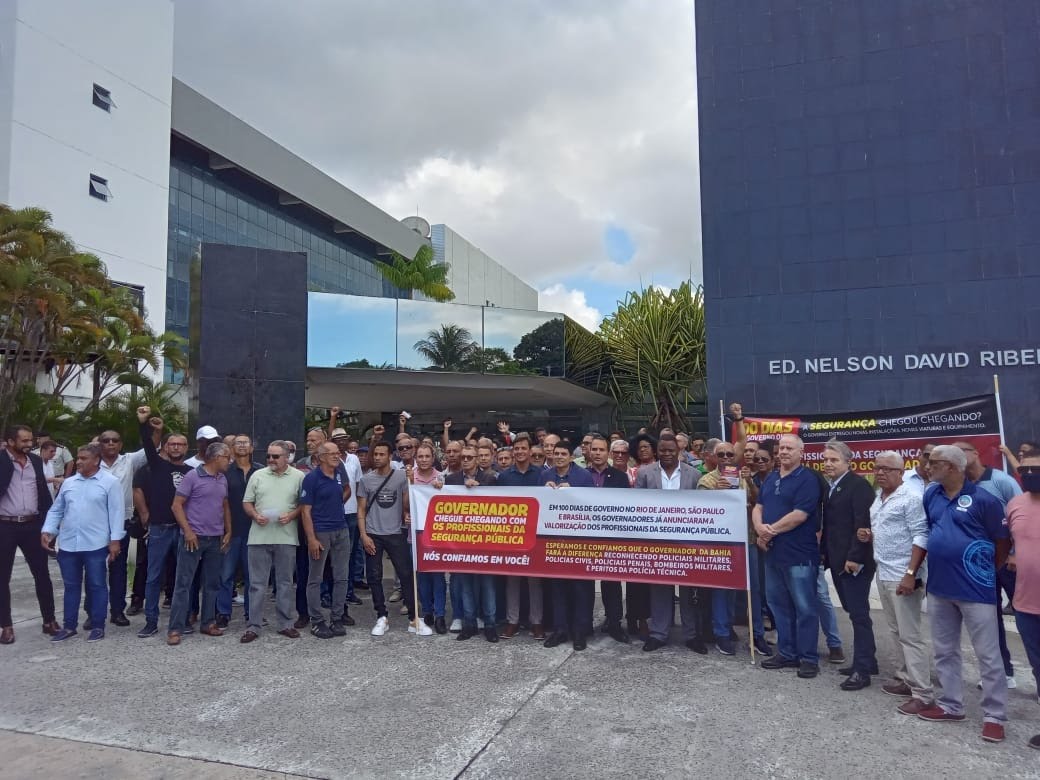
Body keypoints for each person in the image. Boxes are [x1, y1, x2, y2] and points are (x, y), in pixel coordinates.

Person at [917, 445, 1009, 744]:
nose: (928, 467)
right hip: (940, 587)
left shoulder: (985, 500)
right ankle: (950, 704)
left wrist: (984, 571)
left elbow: (1001, 542)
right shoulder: (931, 494)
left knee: (987, 653)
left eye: (934, 463)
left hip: (976, 589)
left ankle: (994, 715)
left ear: (953, 467)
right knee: (945, 649)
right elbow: (934, 530)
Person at [859, 451, 933, 715]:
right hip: (884, 572)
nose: (880, 473)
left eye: (887, 469)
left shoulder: (911, 499)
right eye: (877, 468)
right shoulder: (879, 499)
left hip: (904, 575)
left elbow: (921, 536)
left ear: (901, 472)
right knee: (895, 630)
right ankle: (904, 679)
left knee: (910, 636)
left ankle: (923, 693)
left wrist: (911, 573)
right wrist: (869, 534)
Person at [753, 434, 822, 679]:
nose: (783, 452)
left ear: (801, 452)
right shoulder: (771, 478)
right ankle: (787, 652)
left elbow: (800, 514)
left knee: (805, 607)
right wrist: (759, 528)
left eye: (789, 448)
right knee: (778, 605)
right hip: (773, 554)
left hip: (799, 554)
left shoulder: (807, 480)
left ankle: (808, 658)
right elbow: (758, 506)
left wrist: (769, 531)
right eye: (781, 448)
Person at [41, 444, 124, 642]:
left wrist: (115, 541)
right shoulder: (69, 483)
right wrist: (48, 530)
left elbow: (117, 513)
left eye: (84, 458)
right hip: (69, 544)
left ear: (96, 460)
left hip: (96, 544)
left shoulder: (110, 482)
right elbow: (57, 510)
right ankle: (69, 626)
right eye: (78, 458)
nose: (78, 461)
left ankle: (97, 625)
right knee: (71, 586)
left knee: (97, 585)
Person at [956, 440, 1022, 688]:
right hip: (981, 565)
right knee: (990, 620)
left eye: (962, 451)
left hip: (1011, 561)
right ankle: (1003, 673)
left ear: (975, 453)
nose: (958, 456)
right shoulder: (961, 487)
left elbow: (1022, 515)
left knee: (1029, 619)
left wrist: (1015, 552)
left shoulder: (1001, 481)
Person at [820, 440, 877, 691]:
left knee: (859, 615)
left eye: (834, 460)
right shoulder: (833, 487)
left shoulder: (858, 486)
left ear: (847, 462)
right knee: (854, 612)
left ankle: (862, 670)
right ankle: (869, 660)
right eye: (826, 459)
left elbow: (862, 523)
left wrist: (855, 557)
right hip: (837, 559)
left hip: (854, 562)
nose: (828, 464)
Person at [697, 435, 762, 655]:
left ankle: (757, 635)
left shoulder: (743, 477)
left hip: (747, 539)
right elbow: (701, 511)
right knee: (722, 589)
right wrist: (718, 494)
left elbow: (757, 501)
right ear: (714, 458)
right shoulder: (707, 481)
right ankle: (722, 633)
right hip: (721, 544)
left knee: (751, 589)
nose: (725, 458)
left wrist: (751, 481)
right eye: (721, 454)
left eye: (730, 454)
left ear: (736, 457)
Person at [637, 433, 702, 652]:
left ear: (679, 451)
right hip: (657, 540)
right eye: (662, 450)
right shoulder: (645, 474)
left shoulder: (693, 475)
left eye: (671, 450)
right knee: (659, 588)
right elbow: (636, 505)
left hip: (686, 541)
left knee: (688, 589)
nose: (666, 454)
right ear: (657, 451)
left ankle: (691, 634)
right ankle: (658, 633)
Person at [358, 441, 428, 637]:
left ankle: (414, 618)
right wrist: (363, 535)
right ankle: (381, 616)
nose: (378, 457)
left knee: (406, 574)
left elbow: (406, 504)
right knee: (373, 576)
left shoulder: (399, 476)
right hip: (373, 533)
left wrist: (410, 482)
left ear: (390, 457)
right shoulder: (366, 480)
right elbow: (361, 510)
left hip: (395, 532)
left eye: (382, 454)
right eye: (376, 454)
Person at [167, 443, 232, 646]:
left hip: (215, 538)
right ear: (216, 457)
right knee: (183, 584)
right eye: (226, 457)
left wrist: (228, 530)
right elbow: (176, 505)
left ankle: (208, 622)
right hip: (193, 538)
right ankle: (175, 628)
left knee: (212, 583)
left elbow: (224, 505)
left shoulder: (222, 479)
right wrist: (187, 531)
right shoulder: (192, 476)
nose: (229, 460)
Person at [241, 440, 305, 642]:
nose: (270, 459)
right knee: (257, 584)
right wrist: (254, 515)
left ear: (287, 457)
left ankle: (285, 624)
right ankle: (253, 626)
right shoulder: (257, 475)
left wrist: (293, 515)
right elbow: (247, 502)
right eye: (268, 456)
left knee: (285, 583)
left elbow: (305, 504)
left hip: (286, 537)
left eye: (275, 456)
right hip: (259, 537)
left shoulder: (299, 476)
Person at [135, 413, 193, 639]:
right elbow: (148, 445)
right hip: (159, 528)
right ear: (166, 447)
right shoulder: (157, 466)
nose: (176, 447)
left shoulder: (191, 472)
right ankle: (151, 621)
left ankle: (182, 618)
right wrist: (144, 424)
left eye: (180, 444)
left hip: (182, 531)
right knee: (153, 576)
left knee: (183, 577)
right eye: (172, 444)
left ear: (187, 448)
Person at [0, 424, 58, 644]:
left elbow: (43, 493)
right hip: (5, 526)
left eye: (30, 440)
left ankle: (49, 620)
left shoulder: (35, 461)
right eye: (24, 441)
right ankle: (6, 626)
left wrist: (49, 525)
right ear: (10, 441)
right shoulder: (1, 460)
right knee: (2, 577)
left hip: (33, 525)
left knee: (42, 573)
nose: (29, 444)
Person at [541, 441, 596, 650]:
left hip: (579, 541)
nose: (560, 457)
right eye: (556, 453)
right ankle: (560, 629)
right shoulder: (545, 476)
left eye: (564, 453)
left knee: (580, 589)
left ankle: (580, 631)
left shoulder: (583, 476)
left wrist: (573, 492)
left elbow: (593, 504)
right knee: (557, 588)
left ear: (571, 457)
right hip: (554, 541)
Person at [95, 420, 150, 628]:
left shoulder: (129, 461)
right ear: (99, 444)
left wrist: (148, 425)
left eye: (114, 440)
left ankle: (117, 611)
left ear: (120, 444)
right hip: (96, 526)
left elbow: (150, 448)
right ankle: (93, 612)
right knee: (95, 571)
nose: (110, 443)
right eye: (106, 440)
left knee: (118, 570)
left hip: (122, 524)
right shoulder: (91, 463)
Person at [300, 442, 355, 638]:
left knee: (342, 576)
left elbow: (347, 489)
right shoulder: (311, 479)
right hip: (321, 532)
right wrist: (311, 538)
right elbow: (305, 511)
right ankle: (316, 621)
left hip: (341, 530)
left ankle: (337, 618)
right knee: (315, 578)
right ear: (321, 457)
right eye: (332, 453)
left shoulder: (340, 472)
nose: (336, 456)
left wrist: (339, 501)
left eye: (338, 453)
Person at [587, 433, 636, 645]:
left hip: (610, 537)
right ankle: (584, 623)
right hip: (584, 537)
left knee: (612, 583)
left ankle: (614, 623)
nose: (598, 453)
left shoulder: (619, 477)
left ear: (608, 453)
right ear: (588, 451)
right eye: (594, 449)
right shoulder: (580, 475)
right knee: (585, 583)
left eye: (601, 450)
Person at [446, 444, 498, 641]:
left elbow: (500, 504)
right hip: (462, 541)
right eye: (464, 457)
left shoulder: (489, 479)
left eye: (470, 457)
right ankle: (469, 624)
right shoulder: (451, 479)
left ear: (477, 459)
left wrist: (480, 489)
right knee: (465, 584)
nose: (466, 460)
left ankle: (491, 625)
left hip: (486, 541)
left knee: (487, 584)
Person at [496, 433, 544, 639]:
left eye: (523, 448)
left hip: (535, 534)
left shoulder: (542, 475)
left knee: (535, 581)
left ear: (530, 450)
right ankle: (512, 621)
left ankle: (537, 622)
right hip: (512, 536)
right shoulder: (505, 476)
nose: (520, 452)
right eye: (516, 449)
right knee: (512, 580)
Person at [1007, 451, 1040, 749]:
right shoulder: (1015, 504)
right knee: (1038, 665)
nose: (1028, 474)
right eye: (1025, 469)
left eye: (1035, 469)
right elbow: (1011, 543)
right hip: (1027, 602)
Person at [216, 435, 260, 628]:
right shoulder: (224, 472)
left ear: (252, 447)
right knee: (226, 574)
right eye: (238, 443)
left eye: (245, 442)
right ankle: (223, 612)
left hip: (256, 530)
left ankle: (252, 614)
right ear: (231, 448)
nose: (242, 445)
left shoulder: (261, 471)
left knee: (253, 576)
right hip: (230, 531)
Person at [412, 442, 447, 634]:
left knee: (438, 575)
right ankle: (427, 612)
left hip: (437, 534)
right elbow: (406, 504)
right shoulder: (410, 476)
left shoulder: (441, 477)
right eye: (420, 456)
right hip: (416, 533)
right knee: (422, 574)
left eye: (427, 456)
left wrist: (442, 489)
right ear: (416, 458)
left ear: (433, 458)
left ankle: (440, 614)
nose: (424, 460)